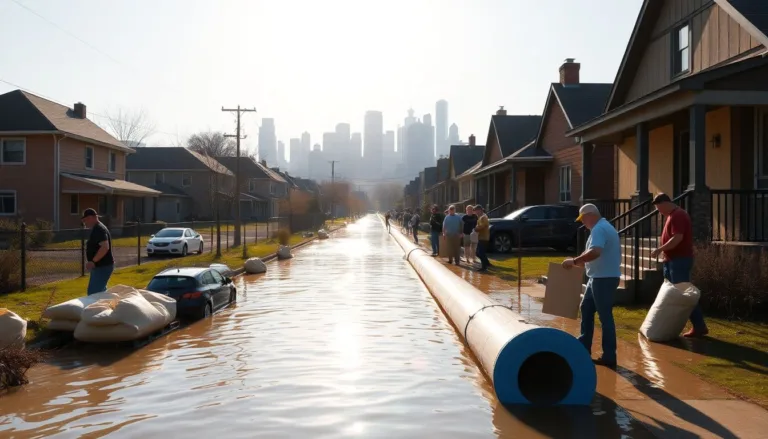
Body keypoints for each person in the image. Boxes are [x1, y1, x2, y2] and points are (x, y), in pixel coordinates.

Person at [562, 203, 621, 368]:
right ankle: (584, 345)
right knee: (586, 308)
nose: (583, 223)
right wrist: (578, 263)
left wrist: (574, 261)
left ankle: (609, 356)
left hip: (603, 279)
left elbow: (595, 252)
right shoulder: (603, 227)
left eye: (583, 219)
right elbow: (595, 253)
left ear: (590, 215)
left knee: (605, 317)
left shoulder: (599, 229)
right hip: (597, 277)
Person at [650, 193, 708, 338]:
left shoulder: (678, 215)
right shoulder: (671, 215)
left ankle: (699, 326)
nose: (659, 212)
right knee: (674, 295)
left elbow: (677, 238)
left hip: (680, 260)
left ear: (665, 203)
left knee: (683, 295)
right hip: (671, 260)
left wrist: (660, 249)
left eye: (659, 208)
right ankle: (673, 325)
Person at [82, 208, 115, 295]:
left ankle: (97, 308)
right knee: (100, 293)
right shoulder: (98, 228)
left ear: (91, 218)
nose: (84, 223)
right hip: (101, 266)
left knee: (94, 294)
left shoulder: (99, 229)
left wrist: (93, 261)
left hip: (102, 266)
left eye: (85, 220)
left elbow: (105, 247)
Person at [473, 205, 491, 272]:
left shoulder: (484, 217)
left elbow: (482, 226)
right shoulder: (480, 217)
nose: (475, 212)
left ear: (480, 210)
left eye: (476, 211)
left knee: (480, 253)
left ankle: (484, 267)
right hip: (481, 237)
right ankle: (486, 264)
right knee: (479, 252)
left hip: (484, 237)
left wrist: (475, 229)